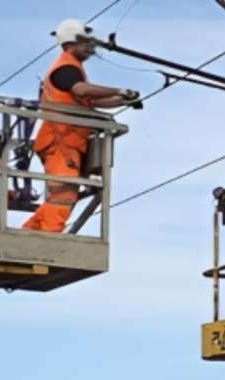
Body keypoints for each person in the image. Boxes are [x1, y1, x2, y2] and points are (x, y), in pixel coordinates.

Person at [23, 19, 140, 233]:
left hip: (66, 142)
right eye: (84, 42)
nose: (89, 47)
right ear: (70, 43)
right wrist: (119, 90)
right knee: (63, 196)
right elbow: (83, 91)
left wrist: (123, 100)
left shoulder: (72, 68)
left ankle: (29, 235)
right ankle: (46, 241)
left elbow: (91, 102)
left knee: (63, 197)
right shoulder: (65, 68)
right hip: (60, 141)